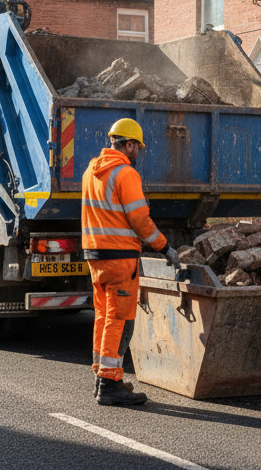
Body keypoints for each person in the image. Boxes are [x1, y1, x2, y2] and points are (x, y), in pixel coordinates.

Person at [81, 118, 179, 407]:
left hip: (95, 255)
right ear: (130, 144)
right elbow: (139, 219)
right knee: (120, 320)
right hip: (120, 259)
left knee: (102, 316)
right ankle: (110, 384)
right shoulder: (125, 173)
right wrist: (165, 248)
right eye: (138, 147)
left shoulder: (91, 171)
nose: (139, 153)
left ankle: (102, 377)